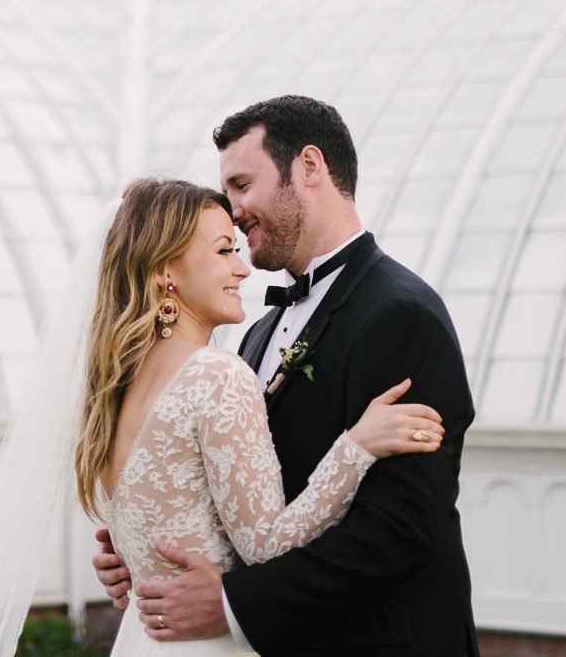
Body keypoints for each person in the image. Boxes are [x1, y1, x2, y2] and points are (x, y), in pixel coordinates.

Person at [0, 170, 444, 657]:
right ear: (166, 270)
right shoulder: (217, 375)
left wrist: (127, 555)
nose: (242, 267)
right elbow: (266, 546)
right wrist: (356, 448)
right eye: (222, 251)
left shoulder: (110, 393)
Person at [94, 96, 479, 657]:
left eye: (242, 184)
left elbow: (403, 526)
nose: (234, 208)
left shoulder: (402, 315)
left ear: (309, 167)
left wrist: (231, 601)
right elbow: (230, 498)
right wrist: (146, 545)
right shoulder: (255, 334)